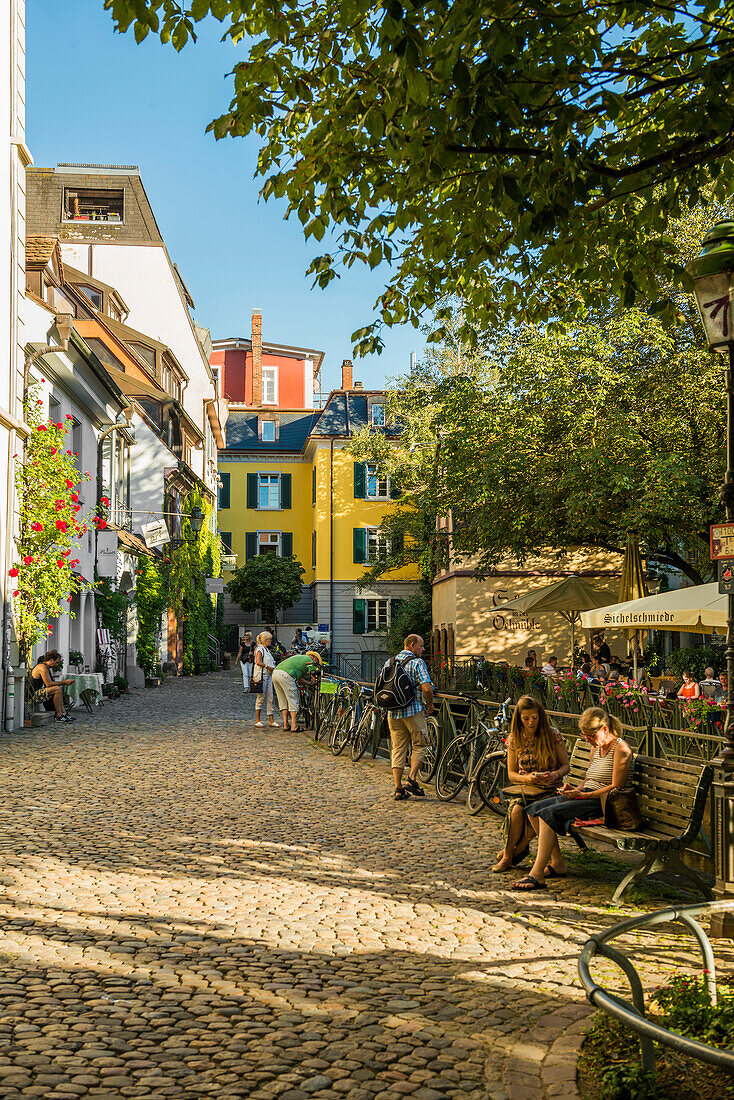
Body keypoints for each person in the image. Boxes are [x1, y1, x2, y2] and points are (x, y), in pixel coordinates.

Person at [513, 706, 633, 890]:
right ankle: (557, 863)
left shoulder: (621, 749)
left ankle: (536, 875)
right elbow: (588, 779)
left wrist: (583, 794)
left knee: (548, 815)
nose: (588, 740)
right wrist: (575, 789)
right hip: (585, 796)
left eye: (591, 736)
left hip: (603, 803)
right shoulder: (597, 749)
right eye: (584, 735)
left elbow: (616, 786)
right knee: (533, 810)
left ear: (605, 729)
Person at [492, 696, 569, 873]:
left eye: (534, 717)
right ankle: (508, 856)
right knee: (516, 810)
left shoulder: (553, 735)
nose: (530, 722)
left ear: (540, 716)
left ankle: (515, 853)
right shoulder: (514, 738)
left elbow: (566, 766)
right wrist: (528, 778)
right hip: (526, 788)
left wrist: (555, 774)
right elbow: (511, 774)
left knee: (534, 809)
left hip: (550, 788)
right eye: (526, 718)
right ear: (519, 718)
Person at [385, 634, 434, 801]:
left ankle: (398, 788)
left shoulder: (390, 661)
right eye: (421, 646)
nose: (423, 649)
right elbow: (427, 689)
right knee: (421, 744)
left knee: (398, 748)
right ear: (412, 645)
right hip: (413, 711)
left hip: (393, 711)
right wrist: (430, 704)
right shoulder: (417, 663)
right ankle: (412, 779)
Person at [272, 650, 322, 732]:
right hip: (286, 675)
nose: (316, 664)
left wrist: (309, 683)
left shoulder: (300, 658)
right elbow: (313, 674)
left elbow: (299, 678)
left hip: (276, 673)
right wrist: (315, 683)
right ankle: (294, 726)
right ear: (314, 658)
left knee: (282, 700)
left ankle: (286, 724)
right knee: (293, 700)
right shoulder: (309, 660)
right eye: (317, 661)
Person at [29, 651, 75, 722]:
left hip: (37, 691)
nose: (57, 665)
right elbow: (49, 684)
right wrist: (64, 682)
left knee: (58, 689)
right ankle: (58, 715)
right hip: (33, 694)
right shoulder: (42, 668)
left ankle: (64, 713)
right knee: (57, 689)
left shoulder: (45, 667)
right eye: (56, 662)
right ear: (51, 660)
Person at [253, 631, 278, 728]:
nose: (270, 641)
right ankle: (257, 720)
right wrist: (268, 667)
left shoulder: (266, 649)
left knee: (270, 697)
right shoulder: (260, 649)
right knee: (261, 697)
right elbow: (258, 662)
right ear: (266, 640)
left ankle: (271, 720)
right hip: (261, 676)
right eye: (269, 639)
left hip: (268, 676)